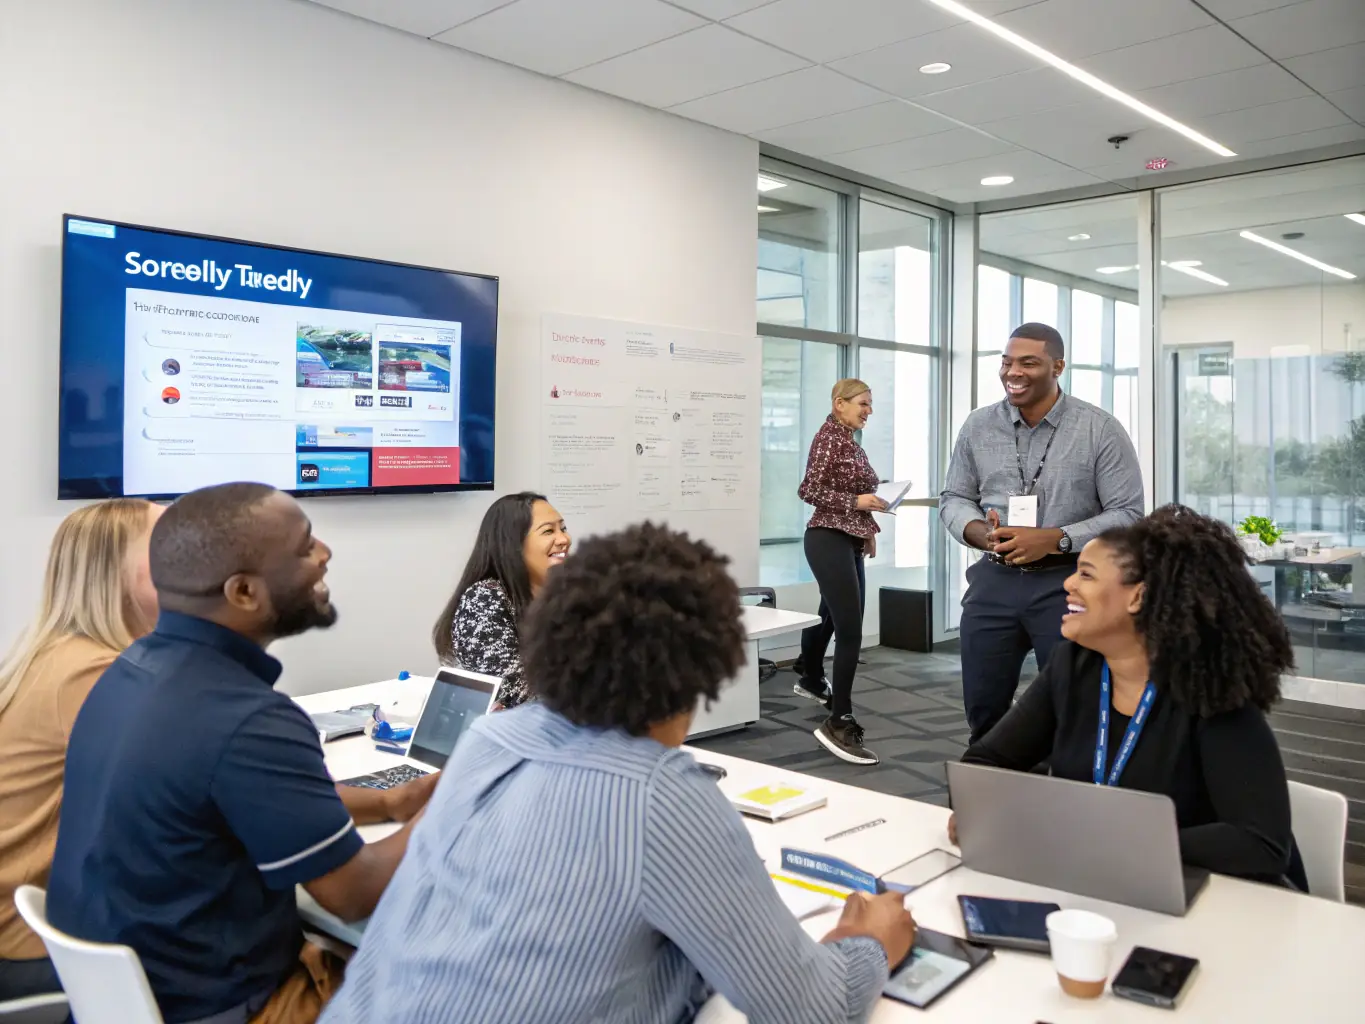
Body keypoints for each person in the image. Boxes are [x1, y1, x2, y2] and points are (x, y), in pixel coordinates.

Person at [320, 522, 916, 1024]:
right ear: (705, 666)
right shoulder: (661, 795)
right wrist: (871, 942)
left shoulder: (490, 738)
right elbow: (811, 1009)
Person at [46, 483, 438, 1024]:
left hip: (133, 1000)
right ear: (244, 592)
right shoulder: (249, 720)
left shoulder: (132, 670)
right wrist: (452, 800)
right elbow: (356, 892)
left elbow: (236, 797)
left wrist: (393, 804)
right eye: (304, 548)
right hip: (229, 1006)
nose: (325, 553)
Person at [952, 505, 1303, 888]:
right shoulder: (1076, 665)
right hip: (1111, 886)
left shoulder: (1209, 691)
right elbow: (988, 759)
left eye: (1085, 574)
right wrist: (982, 808)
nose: (1068, 585)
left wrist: (1114, 843)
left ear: (1138, 597)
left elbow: (1260, 845)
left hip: (1216, 902)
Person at [941, 322, 1143, 743]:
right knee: (983, 708)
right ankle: (989, 797)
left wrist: (1056, 538)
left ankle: (1068, 797)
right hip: (993, 581)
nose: (1013, 371)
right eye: (1007, 361)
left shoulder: (1099, 429)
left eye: (1028, 363)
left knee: (1074, 707)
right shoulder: (978, 427)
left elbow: (1129, 513)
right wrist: (979, 531)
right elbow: (954, 497)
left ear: (1058, 366)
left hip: (1068, 583)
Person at [0, 499, 161, 1001]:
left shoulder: (53, 655)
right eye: (169, 550)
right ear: (116, 575)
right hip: (34, 940)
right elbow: (211, 796)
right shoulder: (95, 674)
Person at [795, 379, 888, 766]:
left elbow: (854, 496)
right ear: (839, 404)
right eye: (863, 404)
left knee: (832, 616)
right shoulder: (829, 438)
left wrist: (866, 530)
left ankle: (811, 677)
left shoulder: (849, 440)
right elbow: (809, 490)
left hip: (847, 539)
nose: (869, 411)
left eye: (870, 405)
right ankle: (839, 722)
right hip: (826, 539)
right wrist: (856, 501)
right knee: (850, 631)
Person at [432, 491, 570, 709]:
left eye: (563, 528)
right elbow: (517, 694)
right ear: (513, 543)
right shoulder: (484, 600)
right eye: (548, 531)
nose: (563, 539)